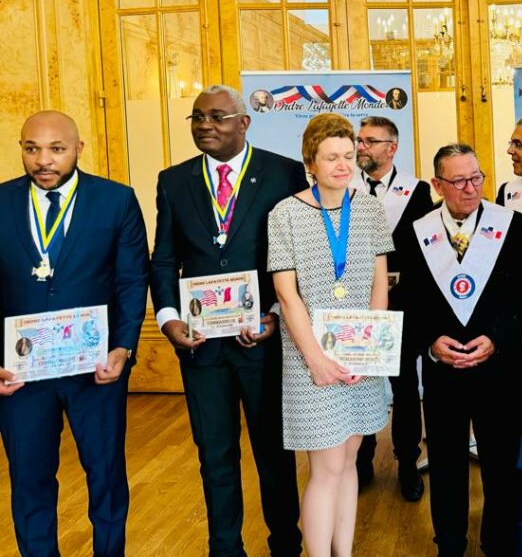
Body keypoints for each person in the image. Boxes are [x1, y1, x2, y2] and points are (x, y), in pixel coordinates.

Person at [150, 85, 303, 557]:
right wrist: (170, 319)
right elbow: (164, 260)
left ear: (244, 123)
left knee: (274, 456)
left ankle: (285, 545)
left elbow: (297, 259)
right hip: (201, 347)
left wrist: (276, 316)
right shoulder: (173, 181)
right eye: (197, 117)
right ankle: (225, 548)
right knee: (215, 456)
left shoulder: (284, 174)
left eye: (216, 117)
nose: (204, 126)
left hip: (262, 341)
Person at [0, 111, 149, 556]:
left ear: (79, 149)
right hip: (20, 375)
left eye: (56, 149)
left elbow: (130, 280)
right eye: (32, 148)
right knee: (28, 478)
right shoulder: (1, 201)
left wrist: (123, 347)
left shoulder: (115, 200)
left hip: (96, 368)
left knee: (105, 474)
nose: (43, 160)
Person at [393, 144, 522, 557]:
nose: (471, 188)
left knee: (499, 461)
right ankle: (451, 543)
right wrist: (430, 343)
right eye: (458, 181)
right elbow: (409, 301)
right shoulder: (415, 231)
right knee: (446, 461)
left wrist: (496, 338)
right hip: (443, 370)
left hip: (498, 367)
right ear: (437, 184)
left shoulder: (509, 225)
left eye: (476, 178)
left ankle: (498, 541)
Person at [267, 113, 392, 557]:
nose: (343, 165)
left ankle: (345, 552)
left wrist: (371, 350)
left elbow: (380, 282)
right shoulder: (285, 214)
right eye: (331, 157)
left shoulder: (370, 208)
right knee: (326, 465)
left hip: (360, 356)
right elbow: (287, 293)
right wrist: (317, 358)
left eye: (348, 155)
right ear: (311, 163)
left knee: (351, 456)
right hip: (311, 359)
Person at [352, 115, 434, 500]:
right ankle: (362, 459)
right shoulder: (343, 187)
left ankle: (406, 464)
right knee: (361, 383)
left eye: (369, 141)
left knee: (403, 387)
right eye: (359, 140)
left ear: (392, 147)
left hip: (402, 305)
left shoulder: (416, 191)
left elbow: (422, 256)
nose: (361, 147)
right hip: (355, 304)